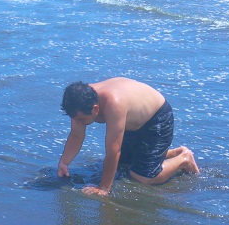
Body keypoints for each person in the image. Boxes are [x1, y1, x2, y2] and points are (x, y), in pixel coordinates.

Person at [57, 78, 199, 196]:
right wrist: (64, 162)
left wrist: (104, 188)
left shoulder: (114, 104)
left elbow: (114, 150)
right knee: (123, 167)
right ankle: (171, 153)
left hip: (156, 119)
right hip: (132, 123)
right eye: (75, 119)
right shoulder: (80, 101)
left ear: (95, 109)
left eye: (81, 119)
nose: (78, 122)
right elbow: (76, 135)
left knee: (143, 177)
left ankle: (184, 158)